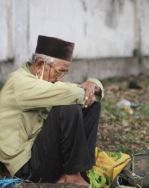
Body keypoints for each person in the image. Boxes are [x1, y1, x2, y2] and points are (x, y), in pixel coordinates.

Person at [0, 35, 104, 186]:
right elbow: (70, 93)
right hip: (26, 166)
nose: (60, 78)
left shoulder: (40, 78)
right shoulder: (20, 82)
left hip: (39, 151)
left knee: (92, 105)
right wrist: (91, 89)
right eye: (60, 72)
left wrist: (94, 85)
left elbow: (73, 92)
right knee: (68, 108)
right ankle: (72, 175)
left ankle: (82, 170)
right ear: (40, 64)